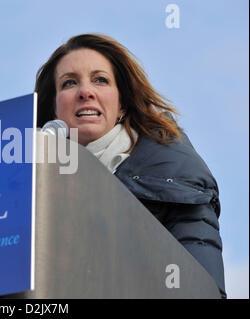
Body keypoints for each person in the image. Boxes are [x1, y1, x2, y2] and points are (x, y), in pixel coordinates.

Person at [35, 33, 226, 298]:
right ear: (54, 110)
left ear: (122, 104)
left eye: (100, 80)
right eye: (69, 83)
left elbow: (202, 291)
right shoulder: (29, 191)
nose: (85, 92)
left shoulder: (176, 181)